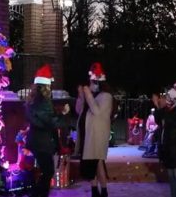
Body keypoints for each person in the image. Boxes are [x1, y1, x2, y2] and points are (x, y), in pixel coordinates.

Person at [25, 64, 70, 197]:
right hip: (42, 143)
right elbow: (51, 122)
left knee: (44, 171)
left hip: (36, 141)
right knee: (48, 172)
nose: (50, 88)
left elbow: (43, 118)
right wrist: (64, 114)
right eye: (49, 85)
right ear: (45, 86)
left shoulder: (34, 100)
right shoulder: (44, 101)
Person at [75, 62, 113, 197]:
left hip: (97, 135)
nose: (90, 83)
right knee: (92, 163)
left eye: (92, 81)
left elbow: (96, 111)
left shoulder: (106, 96)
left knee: (97, 162)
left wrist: (88, 94)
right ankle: (94, 189)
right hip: (87, 133)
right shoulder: (90, 94)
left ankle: (103, 191)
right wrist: (81, 96)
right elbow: (79, 110)